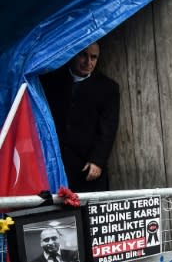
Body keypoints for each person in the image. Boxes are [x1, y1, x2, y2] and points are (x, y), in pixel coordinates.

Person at [41, 42, 120, 192]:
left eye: (93, 57)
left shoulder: (108, 88)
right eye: (83, 55)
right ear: (73, 54)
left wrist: (97, 160)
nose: (88, 62)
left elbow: (108, 127)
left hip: (86, 166)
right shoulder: (51, 81)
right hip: (55, 164)